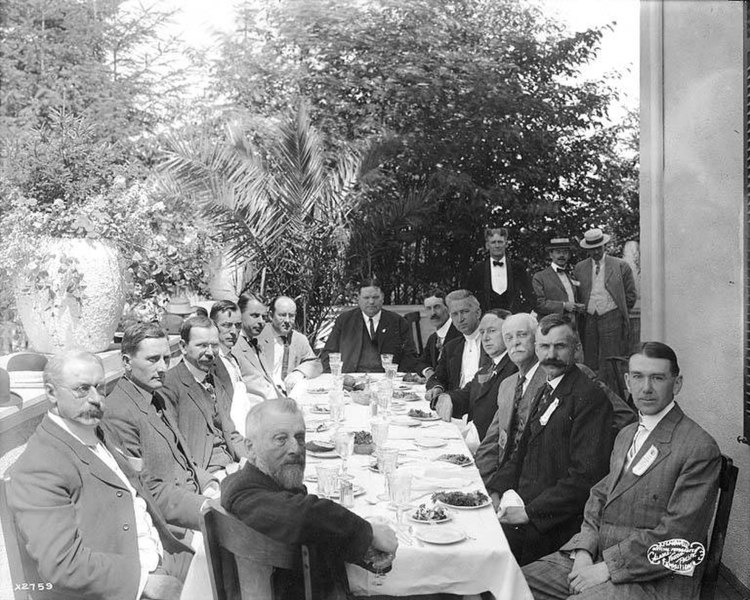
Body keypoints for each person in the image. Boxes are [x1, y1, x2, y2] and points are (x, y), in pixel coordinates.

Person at [523, 342, 721, 600]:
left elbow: (679, 539)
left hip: (656, 580)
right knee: (511, 583)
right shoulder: (627, 434)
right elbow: (598, 498)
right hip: (598, 558)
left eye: (658, 378)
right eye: (638, 377)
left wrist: (607, 568)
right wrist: (583, 552)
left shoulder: (698, 448)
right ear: (627, 381)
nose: (646, 388)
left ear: (677, 383)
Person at [7, 351, 193, 600]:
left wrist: (207, 508)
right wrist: (146, 582)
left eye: (100, 387)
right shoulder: (39, 466)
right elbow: (63, 564)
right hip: (129, 584)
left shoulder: (101, 430)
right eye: (82, 389)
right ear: (51, 393)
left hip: (165, 554)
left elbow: (146, 488)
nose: (96, 399)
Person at [221, 398, 398, 599]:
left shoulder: (266, 484)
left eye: (300, 437)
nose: (295, 449)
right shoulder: (244, 492)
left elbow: (313, 523)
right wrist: (369, 532)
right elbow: (303, 515)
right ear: (250, 447)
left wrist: (367, 550)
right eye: (281, 439)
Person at [488, 314, 614, 566]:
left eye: (560, 346)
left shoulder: (589, 399)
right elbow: (520, 454)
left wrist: (528, 513)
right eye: (544, 346)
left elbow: (585, 478)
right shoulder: (547, 388)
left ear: (576, 349)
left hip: (554, 526)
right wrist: (494, 490)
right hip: (523, 507)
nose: (551, 354)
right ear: (536, 349)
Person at [102, 323, 219, 535]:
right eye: (153, 359)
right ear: (127, 362)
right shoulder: (117, 412)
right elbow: (144, 489)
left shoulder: (157, 397)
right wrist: (204, 507)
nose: (163, 368)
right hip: (170, 529)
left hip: (194, 504)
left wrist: (210, 485)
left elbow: (184, 462)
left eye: (166, 358)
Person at [162, 316, 246, 477]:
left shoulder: (213, 379)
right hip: (204, 474)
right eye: (201, 345)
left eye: (214, 345)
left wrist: (251, 460)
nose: (209, 352)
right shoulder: (169, 385)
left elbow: (230, 431)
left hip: (232, 466)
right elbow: (174, 450)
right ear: (183, 347)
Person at [476, 313, 547, 486]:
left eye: (522, 335)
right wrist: (475, 480)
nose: (514, 342)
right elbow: (492, 442)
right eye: (508, 337)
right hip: (501, 478)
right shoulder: (507, 385)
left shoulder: (553, 377)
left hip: (532, 485)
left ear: (537, 339)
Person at [434, 309, 517, 440]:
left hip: (490, 447)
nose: (485, 338)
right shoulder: (488, 366)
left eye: (492, 331)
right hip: (475, 441)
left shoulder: (515, 368)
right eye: (482, 332)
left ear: (509, 335)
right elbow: (468, 393)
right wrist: (448, 397)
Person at [320, 279, 424, 373]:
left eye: (375, 297)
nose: (371, 302)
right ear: (358, 299)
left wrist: (398, 378)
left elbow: (410, 356)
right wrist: (335, 378)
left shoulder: (398, 322)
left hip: (386, 381)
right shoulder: (344, 321)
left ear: (382, 298)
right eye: (366, 298)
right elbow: (328, 353)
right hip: (351, 379)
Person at [573, 228, 637, 374]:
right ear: (587, 250)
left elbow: (630, 295)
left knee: (611, 358)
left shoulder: (620, 266)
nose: (595, 252)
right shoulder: (580, 268)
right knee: (590, 358)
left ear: (604, 246)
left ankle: (612, 392)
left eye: (598, 248)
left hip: (612, 316)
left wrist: (618, 312)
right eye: (592, 249)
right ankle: (592, 391)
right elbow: (577, 293)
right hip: (588, 318)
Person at [425, 290, 488, 403]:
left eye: (464, 312)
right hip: (455, 408)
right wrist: (437, 388)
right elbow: (437, 378)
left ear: (478, 313)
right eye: (454, 314)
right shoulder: (451, 347)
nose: (460, 319)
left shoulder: (491, 342)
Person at [210, 300, 262, 435]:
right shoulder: (211, 364)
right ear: (213, 326)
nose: (233, 331)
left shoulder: (233, 359)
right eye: (226, 325)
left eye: (238, 325)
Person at [257, 295, 322, 393]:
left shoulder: (299, 339)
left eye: (291, 316)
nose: (287, 320)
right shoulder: (258, 337)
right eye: (282, 315)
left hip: (288, 395)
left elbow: (315, 364)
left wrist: (299, 372)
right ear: (271, 316)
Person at [465, 227, 534, 313]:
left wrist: (520, 314)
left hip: (513, 319)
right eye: (493, 242)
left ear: (506, 244)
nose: (497, 246)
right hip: (486, 319)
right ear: (487, 245)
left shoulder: (517, 267)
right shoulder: (478, 269)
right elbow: (469, 296)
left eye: (500, 242)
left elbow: (529, 295)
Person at [232, 291, 281, 400]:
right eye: (255, 316)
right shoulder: (233, 348)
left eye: (264, 317)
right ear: (239, 314)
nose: (261, 322)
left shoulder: (257, 343)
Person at [532, 237, 585, 320]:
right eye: (558, 252)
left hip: (573, 324)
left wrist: (577, 306)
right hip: (552, 326)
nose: (562, 255)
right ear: (551, 255)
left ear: (569, 255)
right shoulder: (540, 277)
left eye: (565, 252)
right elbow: (539, 304)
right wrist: (563, 306)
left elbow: (572, 299)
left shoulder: (571, 276)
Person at [420, 288, 461, 373]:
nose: (433, 313)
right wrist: (428, 371)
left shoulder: (460, 333)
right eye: (428, 308)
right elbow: (421, 363)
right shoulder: (433, 338)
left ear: (448, 308)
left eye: (437, 307)